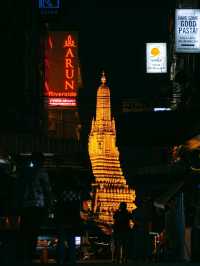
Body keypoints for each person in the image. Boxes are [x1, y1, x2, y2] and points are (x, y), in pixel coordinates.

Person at [17, 152, 52, 265]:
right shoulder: (42, 173)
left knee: (24, 231)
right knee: (33, 232)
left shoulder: (25, 172)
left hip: (25, 205)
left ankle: (23, 255)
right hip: (37, 206)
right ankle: (30, 254)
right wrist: (48, 205)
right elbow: (47, 190)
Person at [54, 175, 82, 266]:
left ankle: (60, 260)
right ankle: (72, 260)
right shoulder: (76, 194)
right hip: (72, 220)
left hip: (62, 219)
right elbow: (78, 208)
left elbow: (57, 206)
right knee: (72, 241)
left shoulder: (61, 193)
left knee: (61, 241)